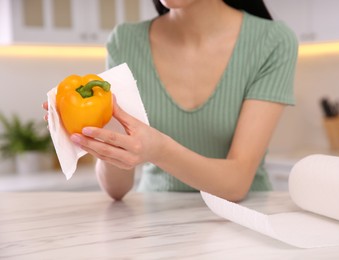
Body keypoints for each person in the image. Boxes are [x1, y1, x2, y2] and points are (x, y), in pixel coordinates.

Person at [44, 0, 298, 202]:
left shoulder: (273, 42)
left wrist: (158, 150)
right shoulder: (125, 41)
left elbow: (236, 183)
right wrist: (100, 138)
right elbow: (116, 190)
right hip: (156, 224)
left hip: (245, 221)